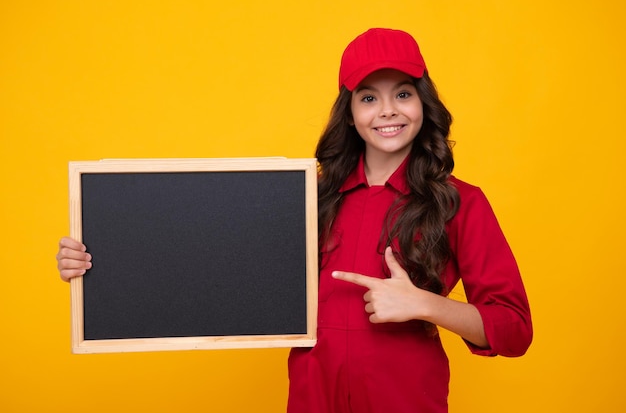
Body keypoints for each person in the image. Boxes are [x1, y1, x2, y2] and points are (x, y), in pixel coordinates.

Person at [57, 28, 532, 413]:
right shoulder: (305, 196)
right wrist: (100, 265)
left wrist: (425, 305)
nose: (387, 110)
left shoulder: (460, 203)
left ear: (422, 105)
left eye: (403, 93)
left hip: (407, 400)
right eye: (369, 97)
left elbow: (514, 329)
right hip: (311, 398)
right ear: (349, 113)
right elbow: (203, 263)